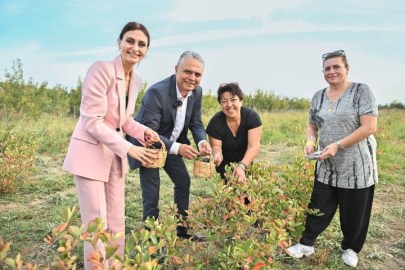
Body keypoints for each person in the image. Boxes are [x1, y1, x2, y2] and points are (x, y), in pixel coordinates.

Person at [63, 22, 159, 269]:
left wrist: (144, 131)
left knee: (116, 220)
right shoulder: (101, 69)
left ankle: (115, 266)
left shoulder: (135, 79)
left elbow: (124, 120)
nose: (135, 48)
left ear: (147, 51)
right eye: (130, 41)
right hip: (90, 155)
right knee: (96, 224)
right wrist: (129, 148)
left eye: (141, 44)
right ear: (119, 43)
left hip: (113, 159)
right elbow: (92, 121)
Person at [286, 50, 378, 268]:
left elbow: (369, 127)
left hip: (357, 166)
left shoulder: (360, 91)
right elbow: (312, 125)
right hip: (326, 163)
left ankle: (350, 248)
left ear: (347, 69)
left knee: (354, 212)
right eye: (327, 68)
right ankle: (307, 244)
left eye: (336, 66)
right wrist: (310, 142)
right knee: (318, 206)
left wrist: (338, 145)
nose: (332, 71)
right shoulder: (318, 96)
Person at [126, 51, 212, 240]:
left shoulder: (197, 92)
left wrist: (202, 141)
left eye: (197, 75)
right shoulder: (156, 93)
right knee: (152, 193)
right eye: (188, 72)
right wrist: (178, 148)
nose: (192, 78)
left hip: (171, 145)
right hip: (148, 147)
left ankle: (182, 231)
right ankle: (151, 241)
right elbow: (150, 133)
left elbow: (196, 123)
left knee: (183, 182)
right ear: (176, 70)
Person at [206, 83, 262, 183]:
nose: (229, 105)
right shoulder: (215, 123)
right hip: (225, 165)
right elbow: (216, 147)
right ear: (220, 104)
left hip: (246, 161)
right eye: (224, 101)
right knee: (228, 194)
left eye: (233, 100)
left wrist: (242, 166)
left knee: (247, 194)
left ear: (241, 101)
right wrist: (217, 155)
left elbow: (254, 146)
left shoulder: (251, 117)